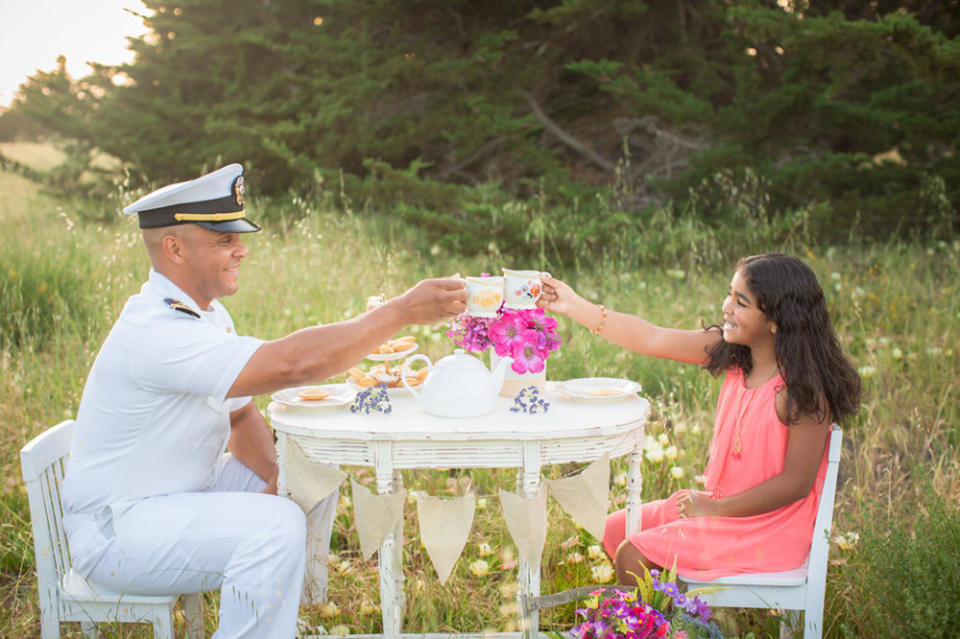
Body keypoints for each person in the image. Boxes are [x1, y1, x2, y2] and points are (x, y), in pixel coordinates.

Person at [60, 163, 467, 638]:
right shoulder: (156, 331)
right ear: (174, 248)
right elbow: (293, 365)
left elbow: (242, 415)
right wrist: (401, 312)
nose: (242, 249)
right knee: (273, 528)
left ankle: (287, 618)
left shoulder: (206, 316)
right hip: (120, 533)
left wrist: (281, 479)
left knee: (308, 469)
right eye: (223, 240)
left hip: (176, 497)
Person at [537, 253, 860, 583]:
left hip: (767, 528)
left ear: (776, 319)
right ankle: (674, 614)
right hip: (724, 511)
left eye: (741, 302)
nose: (726, 307)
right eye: (729, 295)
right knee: (615, 528)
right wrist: (573, 304)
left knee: (631, 554)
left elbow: (795, 484)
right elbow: (652, 337)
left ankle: (654, 628)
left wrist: (716, 510)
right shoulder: (734, 353)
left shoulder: (802, 390)